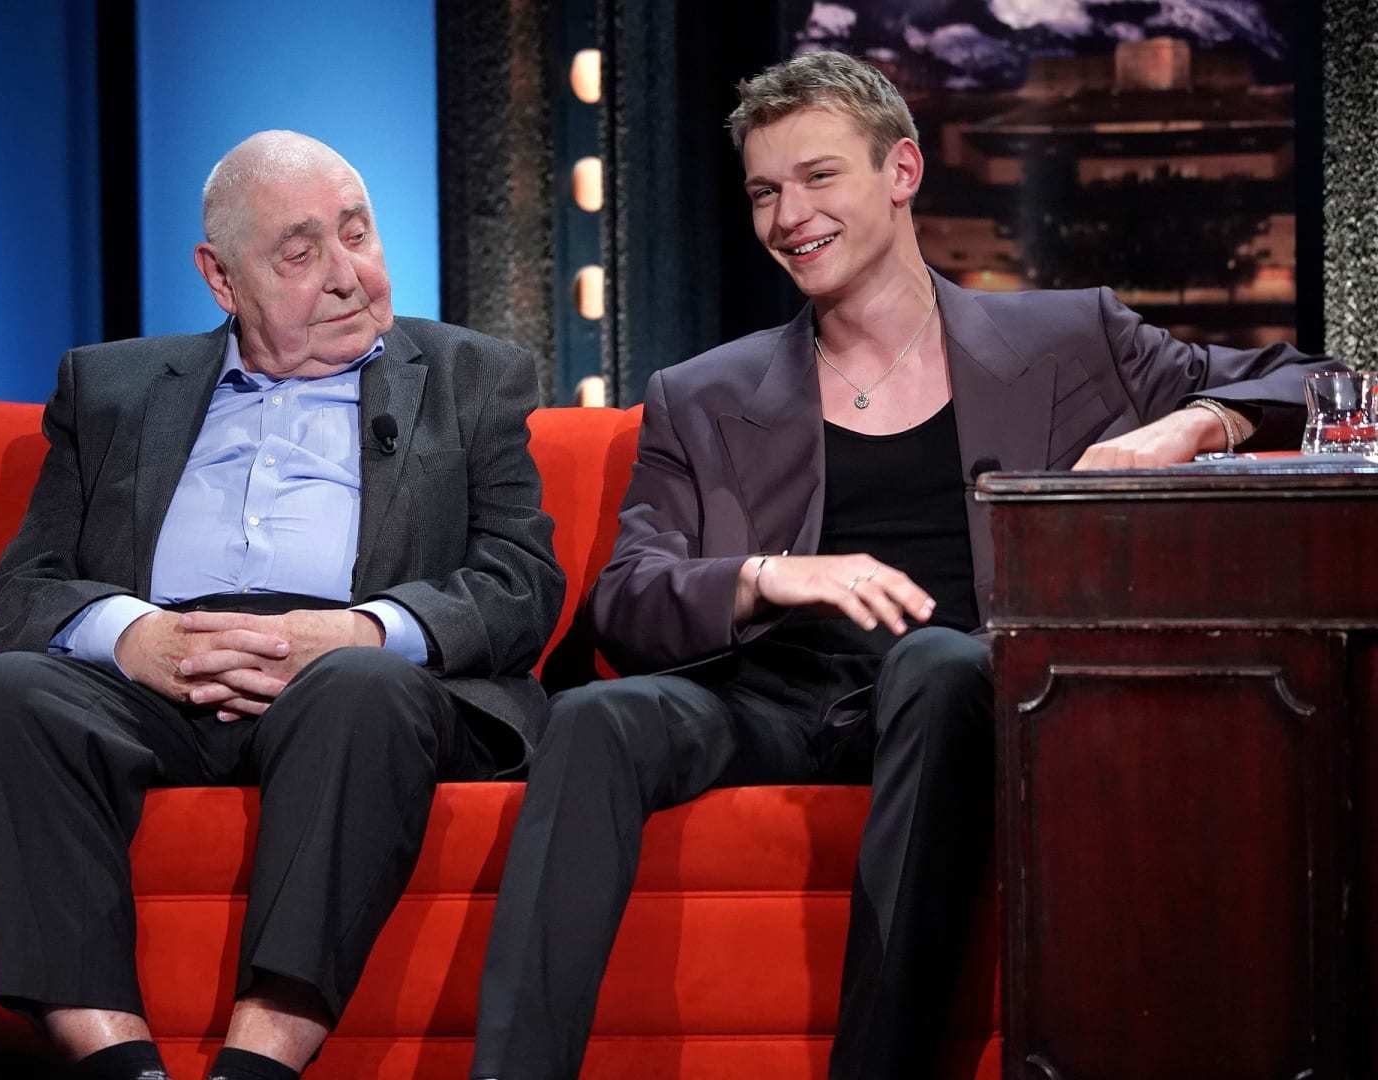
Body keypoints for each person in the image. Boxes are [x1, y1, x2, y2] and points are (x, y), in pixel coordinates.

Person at [470, 50, 1339, 1080]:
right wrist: (765, 575)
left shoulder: (1073, 338)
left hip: (957, 694)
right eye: (765, 192)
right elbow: (626, 600)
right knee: (595, 717)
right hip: (772, 696)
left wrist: (1188, 425)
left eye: (818, 177)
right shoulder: (701, 393)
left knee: (936, 663)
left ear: (902, 172)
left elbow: (1314, 381)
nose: (790, 216)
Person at [0, 130, 563, 1080]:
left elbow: (521, 580)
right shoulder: (109, 389)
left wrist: (362, 631)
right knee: (7, 694)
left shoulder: (471, 376)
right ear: (221, 278)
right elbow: (25, 591)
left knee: (361, 689)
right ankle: (115, 1060)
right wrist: (136, 636)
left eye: (356, 233)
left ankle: (259, 1062)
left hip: (350, 681)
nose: (347, 276)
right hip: (159, 681)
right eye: (300, 253)